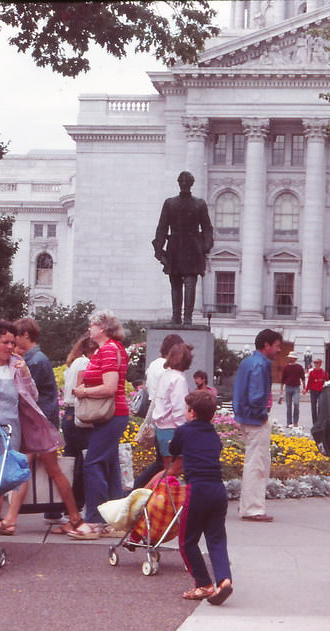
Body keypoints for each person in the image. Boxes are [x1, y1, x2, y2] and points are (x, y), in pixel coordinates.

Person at [0, 320, 95, 541]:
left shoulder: (17, 366)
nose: (10, 346)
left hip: (9, 432)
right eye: (5, 342)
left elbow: (32, 397)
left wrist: (26, 375)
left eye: (12, 342)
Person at [0, 317, 69, 535]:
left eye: (15, 339)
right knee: (48, 471)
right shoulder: (38, 358)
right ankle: (67, 514)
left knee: (24, 469)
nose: (12, 345)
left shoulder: (34, 361)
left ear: (25, 335)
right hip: (42, 423)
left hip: (38, 425)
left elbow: (26, 394)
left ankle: (10, 520)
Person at [172, 390, 233, 606]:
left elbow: (173, 449)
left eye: (187, 409)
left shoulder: (184, 431)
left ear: (193, 413)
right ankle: (224, 580)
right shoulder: (214, 435)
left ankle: (203, 584)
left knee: (187, 541)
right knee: (216, 539)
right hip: (218, 490)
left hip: (197, 489)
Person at [73, 310, 130, 537]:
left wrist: (83, 392)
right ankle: (115, 521)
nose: (89, 329)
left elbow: (109, 387)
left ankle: (95, 521)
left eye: (92, 325)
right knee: (110, 465)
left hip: (110, 414)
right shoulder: (114, 348)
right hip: (114, 414)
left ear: (103, 328)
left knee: (93, 463)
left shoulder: (107, 350)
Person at [233, 328, 283, 522]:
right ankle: (253, 508)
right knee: (257, 464)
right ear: (267, 345)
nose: (279, 350)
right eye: (277, 346)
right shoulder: (260, 365)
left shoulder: (247, 362)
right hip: (255, 419)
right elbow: (256, 395)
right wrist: (261, 414)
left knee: (253, 462)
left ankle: (248, 503)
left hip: (245, 417)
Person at [151, 171, 214, 325]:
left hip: (193, 246)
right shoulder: (169, 203)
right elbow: (162, 227)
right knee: (175, 283)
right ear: (178, 183)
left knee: (190, 283)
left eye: (187, 181)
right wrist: (159, 250)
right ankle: (176, 316)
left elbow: (207, 227)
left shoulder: (199, 204)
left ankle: (188, 318)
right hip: (175, 246)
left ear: (191, 183)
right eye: (182, 181)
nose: (184, 184)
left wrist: (206, 246)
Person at [134, 334, 184, 488]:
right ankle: (141, 489)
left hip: (156, 416)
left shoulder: (153, 365)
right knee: (167, 465)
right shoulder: (169, 371)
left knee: (161, 463)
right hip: (167, 418)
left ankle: (140, 489)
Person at [61, 335, 99, 509]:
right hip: (78, 412)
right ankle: (77, 501)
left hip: (68, 412)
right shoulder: (84, 363)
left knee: (70, 459)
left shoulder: (74, 362)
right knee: (81, 460)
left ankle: (64, 503)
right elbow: (81, 387)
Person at [150, 342, 194, 479]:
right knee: (173, 470)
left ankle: (162, 497)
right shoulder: (179, 380)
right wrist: (185, 431)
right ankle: (149, 490)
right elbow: (179, 410)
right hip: (172, 429)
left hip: (161, 428)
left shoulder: (166, 376)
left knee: (167, 469)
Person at [278, 352, 306, 427]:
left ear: (295, 359)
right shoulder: (286, 367)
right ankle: (289, 423)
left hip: (296, 387)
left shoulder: (299, 367)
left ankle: (295, 422)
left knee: (296, 404)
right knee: (288, 405)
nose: (290, 358)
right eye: (290, 357)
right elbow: (283, 378)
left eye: (291, 357)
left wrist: (304, 387)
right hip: (288, 387)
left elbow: (303, 378)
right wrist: (281, 389)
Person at [306, 358, 328, 426]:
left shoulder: (324, 372)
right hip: (313, 391)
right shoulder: (312, 372)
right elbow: (309, 381)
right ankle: (315, 422)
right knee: (313, 406)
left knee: (320, 405)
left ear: (320, 364)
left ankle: (319, 421)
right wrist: (306, 389)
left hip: (321, 391)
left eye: (317, 363)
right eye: (315, 363)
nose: (316, 364)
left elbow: (327, 381)